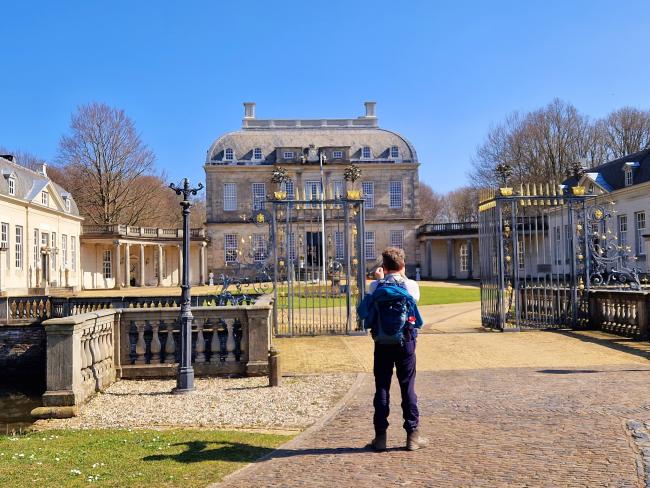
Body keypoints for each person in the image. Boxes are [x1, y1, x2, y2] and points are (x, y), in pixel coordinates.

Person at [357, 247, 429, 452]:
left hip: (381, 342)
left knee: (382, 387)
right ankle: (412, 436)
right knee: (408, 387)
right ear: (403, 265)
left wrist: (380, 278)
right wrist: (402, 274)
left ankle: (380, 438)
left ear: (384, 266)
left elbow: (366, 309)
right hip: (405, 342)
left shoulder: (376, 286)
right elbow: (413, 300)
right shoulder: (411, 286)